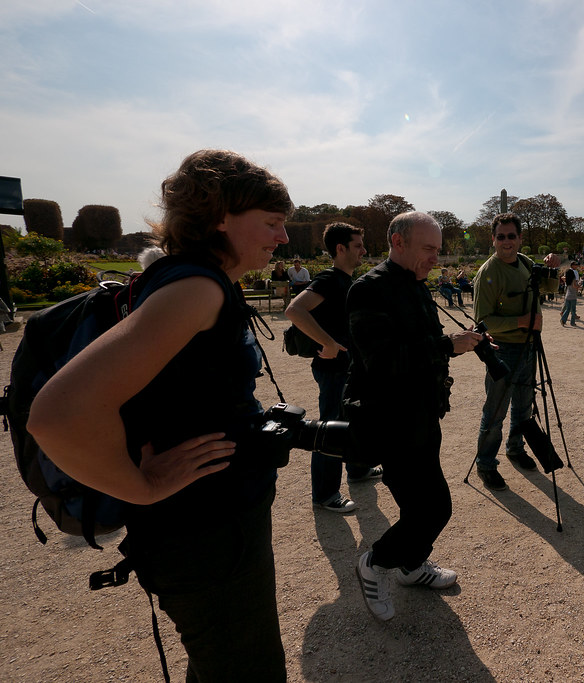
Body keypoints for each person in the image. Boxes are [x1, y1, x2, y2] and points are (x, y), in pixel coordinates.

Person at [27, 149, 294, 680]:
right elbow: (57, 413)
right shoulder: (197, 288)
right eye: (271, 223)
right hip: (203, 533)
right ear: (221, 216)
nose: (282, 238)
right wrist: (141, 487)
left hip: (202, 527)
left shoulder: (185, 278)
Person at [346, 211, 483, 621]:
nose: (435, 259)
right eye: (429, 249)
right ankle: (374, 563)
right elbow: (383, 361)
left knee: (421, 506)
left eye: (438, 251)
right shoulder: (368, 289)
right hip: (389, 418)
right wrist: (447, 346)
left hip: (422, 413)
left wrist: (454, 345)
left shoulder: (415, 284)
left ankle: (409, 566)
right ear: (397, 241)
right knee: (433, 508)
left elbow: (421, 341)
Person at [285, 223, 381, 515]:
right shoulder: (329, 279)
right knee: (330, 427)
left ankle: (357, 469)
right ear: (340, 249)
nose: (363, 250)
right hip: (333, 367)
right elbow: (294, 310)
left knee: (353, 417)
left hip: (348, 366)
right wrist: (327, 343)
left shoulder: (345, 280)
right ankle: (325, 493)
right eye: (357, 245)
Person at [472, 213, 560, 491]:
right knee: (496, 410)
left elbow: (549, 288)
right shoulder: (488, 272)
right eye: (501, 236)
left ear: (520, 238)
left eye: (511, 236)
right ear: (494, 240)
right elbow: (482, 322)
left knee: (524, 404)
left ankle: (515, 448)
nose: (506, 241)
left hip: (529, 347)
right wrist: (522, 322)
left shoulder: (525, 263)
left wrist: (553, 270)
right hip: (503, 350)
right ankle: (485, 464)